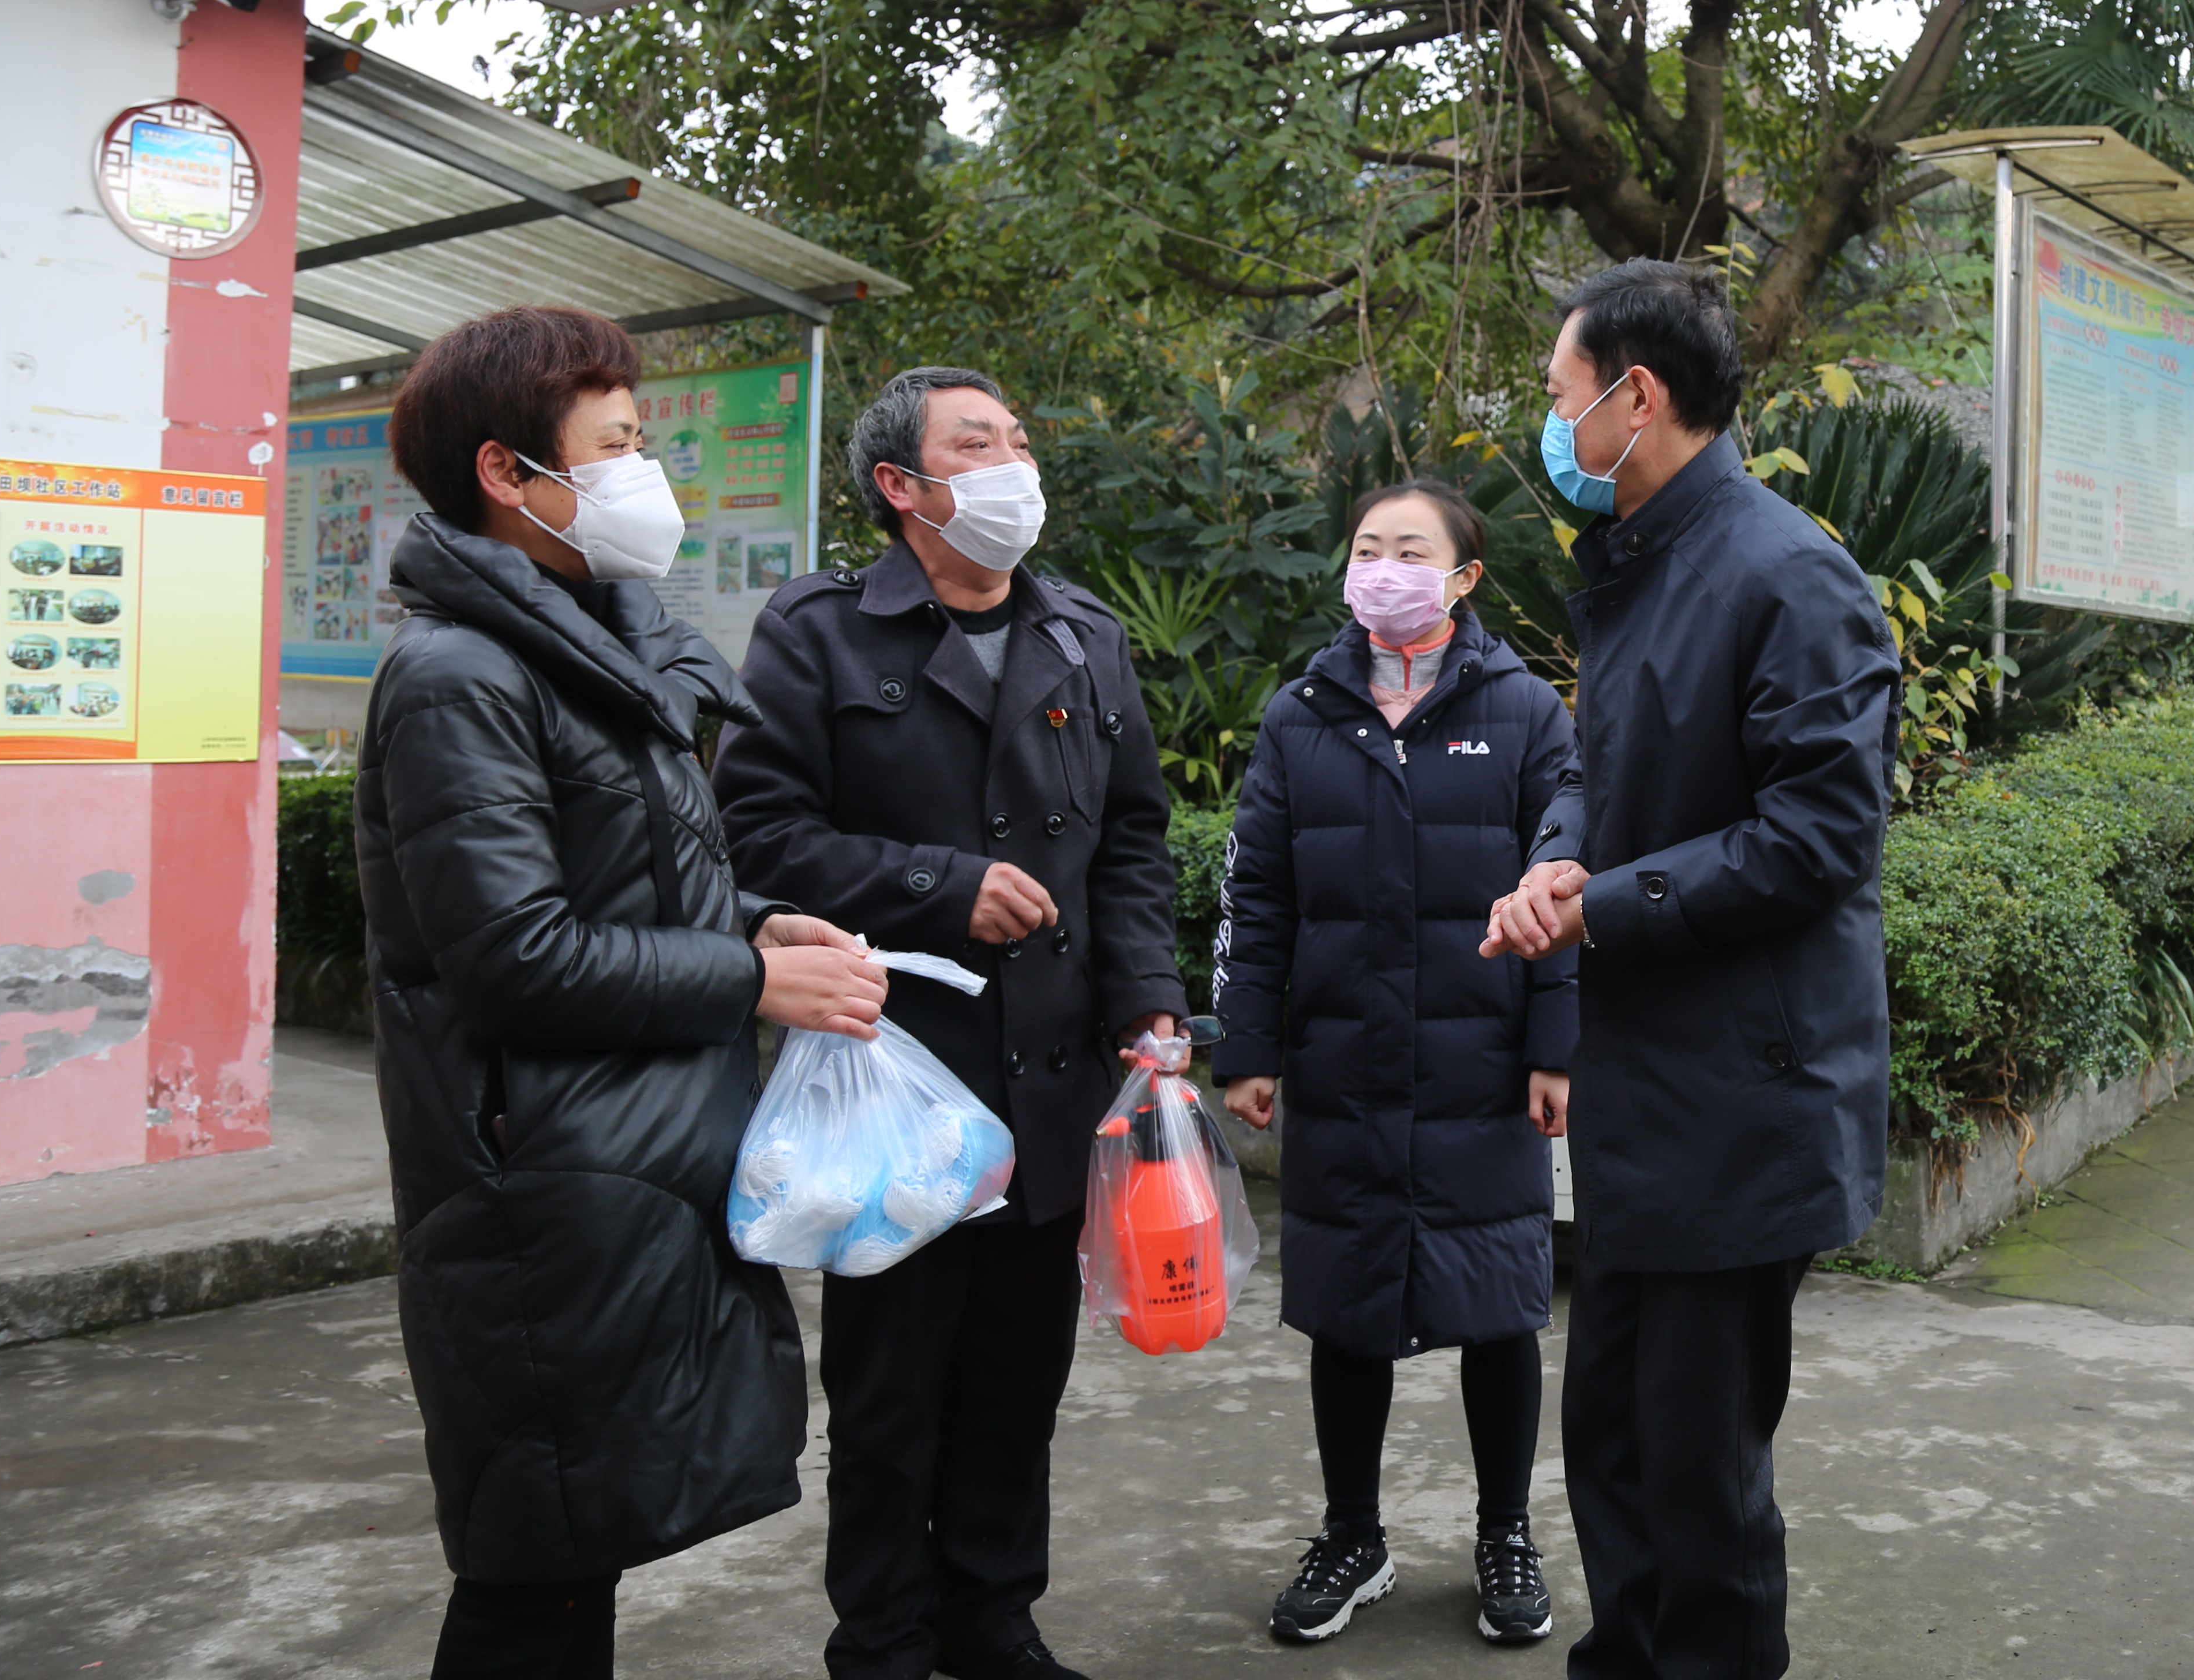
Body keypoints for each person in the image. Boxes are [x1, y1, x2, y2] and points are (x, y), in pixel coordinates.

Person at [355, 305, 888, 1680]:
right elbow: (513, 954)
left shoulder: (588, 655)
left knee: (571, 1549)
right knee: (535, 1572)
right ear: (506, 474)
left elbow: (629, 888)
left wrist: (765, 925)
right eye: (617, 445)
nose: (646, 475)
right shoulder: (456, 675)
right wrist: (749, 979)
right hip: (537, 1189)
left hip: (620, 1168)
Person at [713, 365, 1184, 1680]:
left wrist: (1150, 1002)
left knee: (1013, 1389)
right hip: (897, 1087)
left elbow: (1133, 843)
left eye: (1019, 439)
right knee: (884, 1400)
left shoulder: (1083, 633)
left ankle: (995, 1625)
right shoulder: (817, 632)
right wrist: (940, 886)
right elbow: (758, 835)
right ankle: (882, 1642)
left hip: (1048, 1084)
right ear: (901, 487)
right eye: (978, 443)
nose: (1014, 462)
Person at [1484, 262, 1897, 1680]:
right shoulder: (1649, 560)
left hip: (1743, 1099)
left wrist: (1598, 908)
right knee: (1614, 1440)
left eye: (1559, 395)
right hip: (1648, 1097)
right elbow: (1601, 778)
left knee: (1700, 1480)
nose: (1557, 425)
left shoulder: (1788, 574)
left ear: (1634, 396)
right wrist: (1558, 858)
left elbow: (1817, 839)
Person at [1212, 478, 1579, 1648]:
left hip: (1483, 1056)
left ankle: (1505, 1534)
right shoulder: (1302, 712)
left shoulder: (1526, 712)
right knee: (1347, 1300)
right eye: (1367, 547)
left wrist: (1555, 1046)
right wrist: (1248, 1046)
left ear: (1465, 577)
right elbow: (1259, 891)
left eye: (1409, 550)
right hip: (1346, 1054)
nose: (1382, 567)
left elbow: (1564, 887)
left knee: (1501, 1303)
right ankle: (1352, 1535)